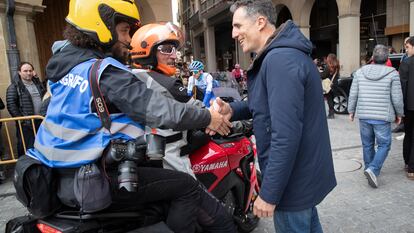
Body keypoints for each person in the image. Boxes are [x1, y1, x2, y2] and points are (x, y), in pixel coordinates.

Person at [23, 1, 231, 232]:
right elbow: (159, 110)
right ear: (101, 26)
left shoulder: (64, 66)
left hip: (57, 176)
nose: (127, 39)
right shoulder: (105, 72)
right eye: (123, 30)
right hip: (96, 178)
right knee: (186, 186)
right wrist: (208, 118)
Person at [213, 1, 337, 232]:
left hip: (293, 182)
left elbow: (286, 135)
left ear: (260, 22)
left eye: (238, 25)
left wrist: (269, 193)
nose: (234, 33)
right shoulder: (282, 55)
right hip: (301, 176)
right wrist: (233, 109)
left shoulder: (279, 60)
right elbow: (269, 102)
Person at [129, 22, 236, 232]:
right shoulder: (165, 83)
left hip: (146, 166)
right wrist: (221, 114)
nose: (174, 54)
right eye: (167, 49)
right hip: (172, 163)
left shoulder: (131, 78)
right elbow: (197, 110)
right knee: (221, 221)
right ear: (147, 51)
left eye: (175, 49)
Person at [347, 44, 404, 188]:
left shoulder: (360, 72)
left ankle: (369, 168)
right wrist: (399, 114)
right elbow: (397, 97)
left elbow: (353, 93)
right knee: (384, 144)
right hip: (382, 117)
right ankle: (373, 169)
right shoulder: (392, 73)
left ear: (372, 57)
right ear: (387, 58)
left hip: (364, 115)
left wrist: (351, 110)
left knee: (367, 144)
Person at [6, 62, 45, 156]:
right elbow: (11, 105)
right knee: (26, 147)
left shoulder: (38, 83)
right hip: (26, 124)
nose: (28, 73)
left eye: (30, 70)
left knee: (42, 146)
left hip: (41, 121)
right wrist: (23, 120)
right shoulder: (14, 87)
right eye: (25, 71)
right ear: (19, 72)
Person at [399, 36, 414, 179]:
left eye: (408, 47)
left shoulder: (406, 63)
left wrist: (400, 110)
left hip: (409, 108)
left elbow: (402, 88)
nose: (406, 50)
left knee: (409, 135)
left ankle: (409, 165)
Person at [320, 53, 340, 119]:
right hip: (335, 84)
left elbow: (323, 76)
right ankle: (332, 112)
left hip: (328, 85)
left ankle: (331, 114)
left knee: (329, 99)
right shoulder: (337, 66)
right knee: (332, 98)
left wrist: (319, 72)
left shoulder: (328, 67)